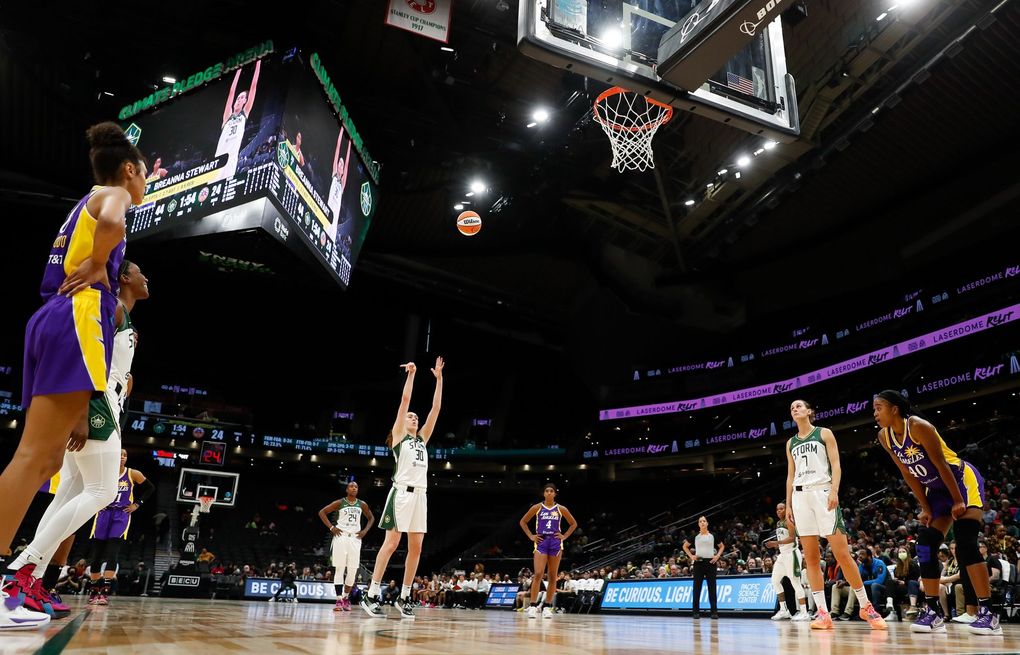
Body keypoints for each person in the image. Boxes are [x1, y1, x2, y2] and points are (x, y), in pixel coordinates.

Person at [0, 123, 146, 631]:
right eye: (144, 173)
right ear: (130, 169)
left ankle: (23, 576)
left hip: (55, 321)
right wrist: (101, 262)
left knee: (45, 469)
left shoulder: (81, 204)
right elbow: (113, 218)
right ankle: (13, 577)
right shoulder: (112, 194)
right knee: (52, 467)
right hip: (76, 324)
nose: (143, 184)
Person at [873, 390, 1001, 636]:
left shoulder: (919, 427)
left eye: (879, 408)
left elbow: (942, 464)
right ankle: (933, 612)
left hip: (959, 480)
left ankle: (988, 613)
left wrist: (956, 501)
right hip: (935, 488)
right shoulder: (884, 436)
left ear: (895, 409)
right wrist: (926, 507)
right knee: (925, 545)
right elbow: (908, 473)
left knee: (965, 543)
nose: (875, 414)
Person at [784, 399, 887, 630]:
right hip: (800, 498)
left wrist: (834, 490)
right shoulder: (790, 442)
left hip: (822, 492)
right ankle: (822, 613)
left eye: (799, 406)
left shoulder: (824, 433)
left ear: (810, 411)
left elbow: (836, 464)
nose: (795, 409)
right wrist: (789, 504)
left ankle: (865, 606)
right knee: (810, 558)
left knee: (842, 554)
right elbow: (790, 475)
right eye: (792, 408)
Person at [360, 357, 445, 620]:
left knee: (417, 548)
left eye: (415, 417)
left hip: (421, 496)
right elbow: (405, 401)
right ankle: (372, 593)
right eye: (411, 417)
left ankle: (405, 596)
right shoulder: (399, 437)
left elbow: (435, 409)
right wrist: (412, 374)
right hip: (401, 494)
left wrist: (439, 379)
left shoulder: (422, 439)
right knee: (392, 543)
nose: (414, 417)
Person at [85, 449, 153, 606]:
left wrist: (137, 504)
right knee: (96, 555)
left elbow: (150, 488)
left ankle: (104, 593)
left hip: (121, 515)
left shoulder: (133, 473)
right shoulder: (103, 473)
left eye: (125, 455)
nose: (122, 457)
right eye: (120, 454)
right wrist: (94, 502)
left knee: (112, 554)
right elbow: (89, 487)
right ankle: (94, 591)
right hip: (103, 513)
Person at [519, 483, 578, 619]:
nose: (550, 493)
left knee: (552, 576)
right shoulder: (537, 507)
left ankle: (547, 606)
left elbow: (573, 524)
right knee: (538, 573)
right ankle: (533, 606)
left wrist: (564, 536)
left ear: (555, 494)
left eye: (552, 491)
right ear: (543, 493)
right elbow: (523, 522)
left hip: (556, 543)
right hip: (541, 542)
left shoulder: (561, 509)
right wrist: (531, 536)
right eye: (547, 491)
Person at [318, 481, 374, 612]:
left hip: (355, 538)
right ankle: (338, 600)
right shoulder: (340, 502)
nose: (354, 488)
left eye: (356, 486)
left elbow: (371, 518)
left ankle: (345, 598)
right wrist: (332, 527)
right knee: (339, 569)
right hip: (341, 537)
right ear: (347, 489)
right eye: (351, 486)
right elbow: (322, 512)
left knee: (353, 571)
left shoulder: (362, 504)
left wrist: (365, 531)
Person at [216, 60, 261, 181]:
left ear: (245, 102)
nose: (238, 99)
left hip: (231, 161)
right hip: (218, 160)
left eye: (241, 98)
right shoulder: (227, 117)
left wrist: (258, 63)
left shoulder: (244, 114)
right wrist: (238, 70)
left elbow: (253, 86)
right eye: (238, 97)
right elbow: (231, 93)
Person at [767, 502, 810, 621]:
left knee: (795, 582)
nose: (779, 511)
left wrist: (775, 543)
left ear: (787, 510)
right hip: (782, 555)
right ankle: (784, 610)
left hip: (792, 553)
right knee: (775, 580)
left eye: (782, 509)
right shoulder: (778, 523)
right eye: (777, 509)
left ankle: (804, 612)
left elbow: (792, 538)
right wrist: (777, 544)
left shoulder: (789, 520)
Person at [682, 516, 724, 619]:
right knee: (697, 588)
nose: (702, 523)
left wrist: (717, 556)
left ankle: (714, 612)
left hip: (710, 563)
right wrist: (691, 556)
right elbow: (685, 546)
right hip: (698, 563)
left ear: (707, 523)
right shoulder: (695, 536)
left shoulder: (713, 535)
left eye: (704, 521)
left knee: (712, 588)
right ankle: (695, 612)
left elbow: (722, 546)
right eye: (700, 521)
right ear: (698, 524)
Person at [326, 127, 352, 241]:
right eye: (339, 164)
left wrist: (350, 143)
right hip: (328, 212)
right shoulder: (334, 174)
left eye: (341, 165)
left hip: (334, 221)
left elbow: (347, 164)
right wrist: (342, 130)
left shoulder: (342, 184)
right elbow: (337, 147)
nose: (340, 166)